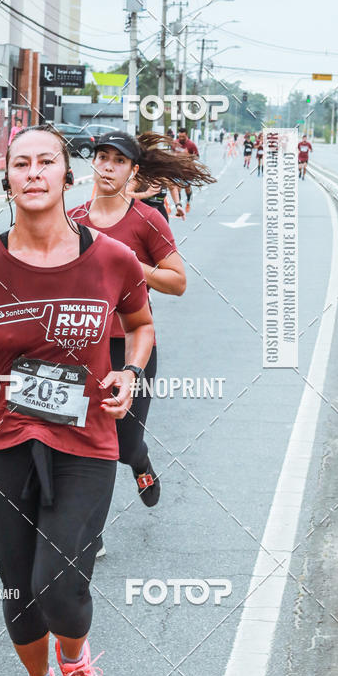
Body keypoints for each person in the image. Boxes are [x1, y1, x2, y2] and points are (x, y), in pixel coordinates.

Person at [0, 124, 154, 676]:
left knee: (56, 582)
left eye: (45, 162)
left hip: (86, 439)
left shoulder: (112, 259)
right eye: (21, 164)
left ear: (66, 174)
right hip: (3, 438)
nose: (33, 173)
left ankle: (78, 665)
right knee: (16, 584)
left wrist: (130, 372)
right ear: (6, 178)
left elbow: (140, 325)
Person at [70, 131, 214, 531]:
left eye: (118, 161)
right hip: (80, 349)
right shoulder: (72, 220)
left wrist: (130, 263)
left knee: (123, 444)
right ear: (93, 164)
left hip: (131, 349)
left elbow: (177, 282)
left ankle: (140, 460)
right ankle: (86, 535)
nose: (108, 167)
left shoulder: (147, 220)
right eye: (102, 158)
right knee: (81, 447)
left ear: (133, 171)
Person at [174, 127, 200, 212]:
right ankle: (179, 207)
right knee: (177, 188)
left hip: (187, 171)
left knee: (187, 188)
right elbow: (172, 153)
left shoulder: (191, 144)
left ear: (186, 135)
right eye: (180, 136)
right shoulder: (175, 143)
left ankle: (188, 201)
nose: (181, 138)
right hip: (177, 169)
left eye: (183, 137)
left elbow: (197, 157)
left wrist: (188, 155)